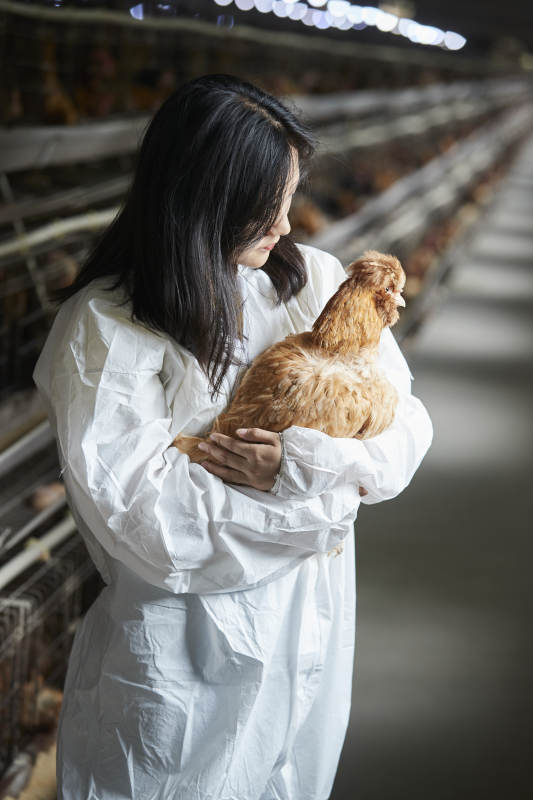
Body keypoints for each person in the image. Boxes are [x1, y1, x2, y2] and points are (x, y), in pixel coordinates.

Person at [33, 74, 433, 800]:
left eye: (286, 198)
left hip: (306, 628)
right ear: (202, 202)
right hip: (183, 658)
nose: (285, 224)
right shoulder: (105, 329)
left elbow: (405, 425)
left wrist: (304, 467)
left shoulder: (311, 281)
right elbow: (153, 524)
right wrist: (330, 503)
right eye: (264, 208)